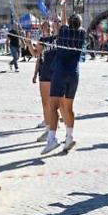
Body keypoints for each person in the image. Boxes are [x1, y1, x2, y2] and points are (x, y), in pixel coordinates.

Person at [42, 12, 86, 154]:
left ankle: (52, 139)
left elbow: (64, 24)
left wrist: (63, 5)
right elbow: (70, 24)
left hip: (60, 73)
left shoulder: (62, 31)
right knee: (68, 108)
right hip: (74, 74)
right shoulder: (82, 34)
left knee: (53, 107)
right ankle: (69, 137)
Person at [32, 21, 58, 139]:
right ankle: (48, 129)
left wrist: (63, 9)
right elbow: (36, 54)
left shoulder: (58, 37)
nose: (46, 27)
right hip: (45, 73)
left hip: (56, 73)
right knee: (45, 102)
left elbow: (63, 22)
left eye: (48, 25)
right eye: (44, 26)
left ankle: (56, 128)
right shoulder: (42, 39)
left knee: (55, 103)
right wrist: (28, 44)